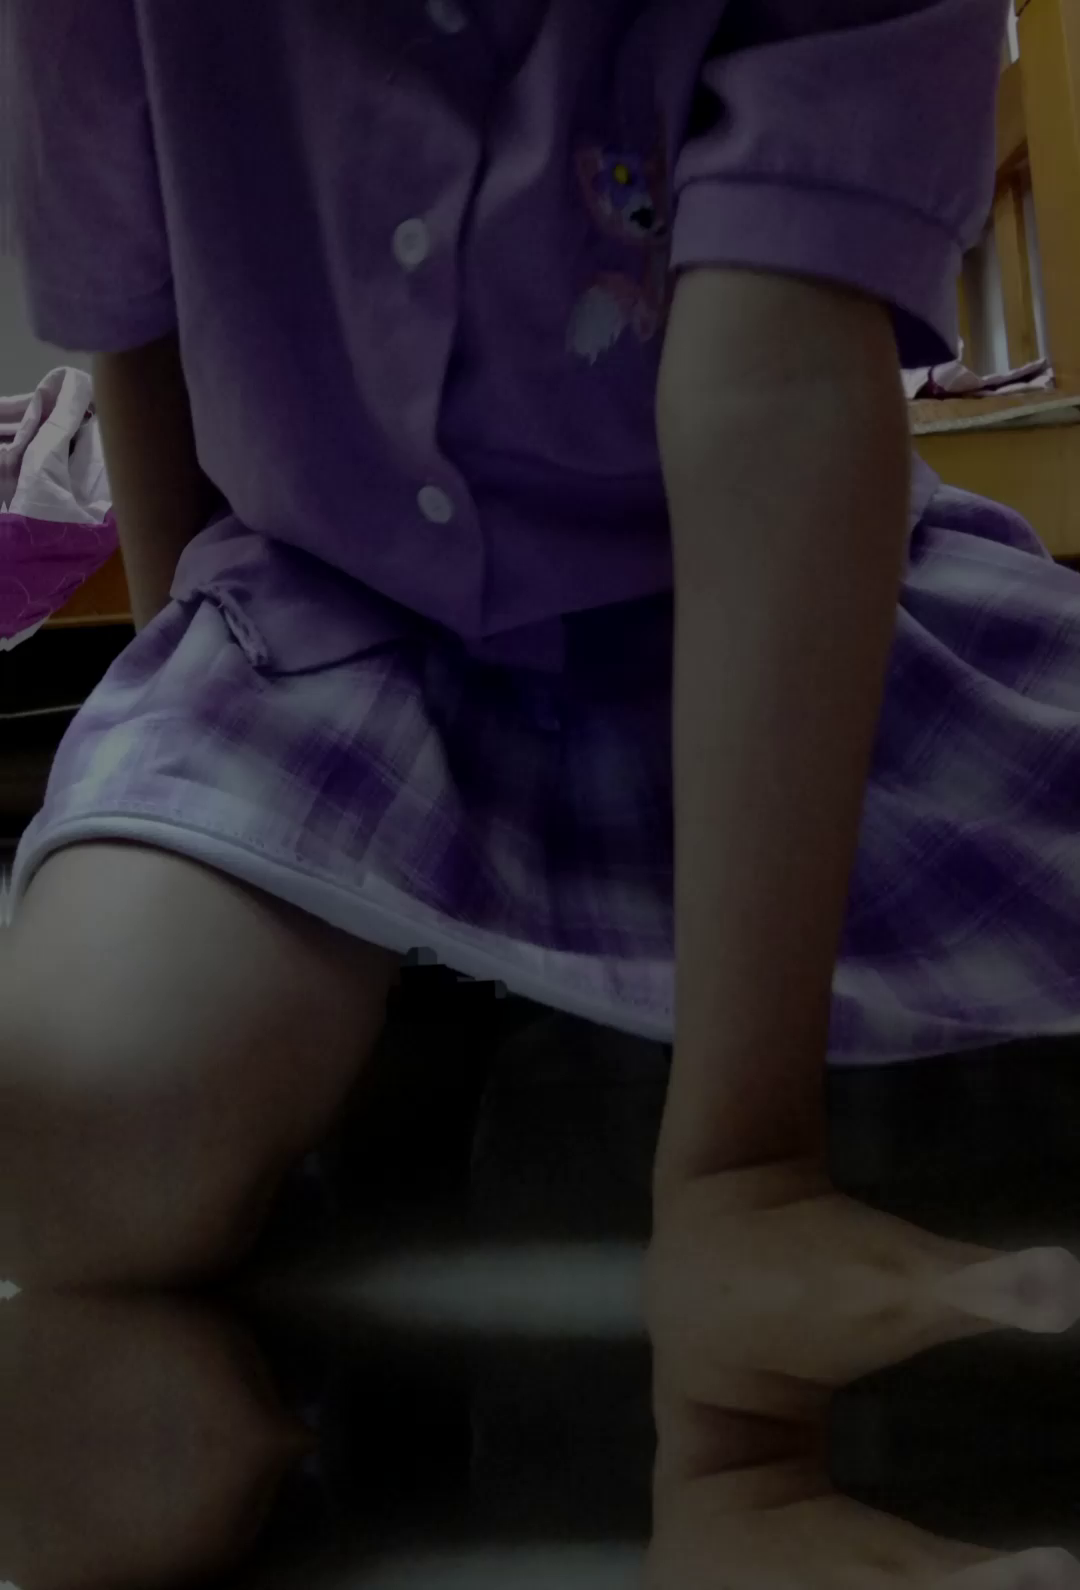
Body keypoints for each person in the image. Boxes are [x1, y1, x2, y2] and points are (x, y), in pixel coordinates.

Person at [6, 0, 1080, 1291]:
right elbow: (138, 323)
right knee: (77, 1139)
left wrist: (741, 1160)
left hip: (775, 601)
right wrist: (198, 809)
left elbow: (782, 384)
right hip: (315, 613)